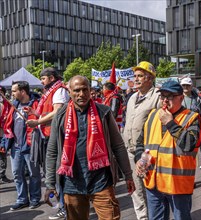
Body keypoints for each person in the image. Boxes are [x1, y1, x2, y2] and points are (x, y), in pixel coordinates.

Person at [44, 75, 135, 220]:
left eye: (85, 90)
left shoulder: (103, 112)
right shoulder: (60, 116)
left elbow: (118, 145)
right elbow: (52, 151)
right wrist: (50, 184)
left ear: (90, 90)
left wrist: (128, 175)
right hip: (71, 183)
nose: (81, 94)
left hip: (101, 181)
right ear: (69, 92)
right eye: (77, 90)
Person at [134, 80, 201, 220]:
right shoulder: (153, 115)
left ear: (181, 98)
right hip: (153, 182)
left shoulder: (192, 117)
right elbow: (140, 142)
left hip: (177, 185)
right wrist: (139, 159)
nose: (165, 100)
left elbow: (189, 144)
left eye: (170, 96)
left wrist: (171, 123)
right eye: (162, 96)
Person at [26, 67, 69, 219]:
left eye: (43, 78)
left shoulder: (60, 91)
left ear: (51, 78)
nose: (41, 81)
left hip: (55, 136)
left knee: (58, 173)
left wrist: (37, 121)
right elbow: (46, 111)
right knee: (51, 172)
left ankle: (64, 207)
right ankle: (63, 205)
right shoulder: (49, 92)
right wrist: (33, 112)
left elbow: (57, 111)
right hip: (47, 136)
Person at [123, 61, 160, 220]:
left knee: (150, 188)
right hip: (130, 151)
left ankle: (154, 217)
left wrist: (146, 156)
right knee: (135, 190)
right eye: (135, 76)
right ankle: (142, 218)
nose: (136, 79)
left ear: (150, 78)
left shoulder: (157, 96)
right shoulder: (131, 97)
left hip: (147, 152)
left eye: (140, 76)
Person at [3, 81, 41, 210]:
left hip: (31, 145)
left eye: (14, 91)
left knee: (33, 174)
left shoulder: (36, 104)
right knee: (17, 174)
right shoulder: (13, 105)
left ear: (22, 91)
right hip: (16, 146)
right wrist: (5, 141)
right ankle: (22, 199)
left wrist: (36, 118)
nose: (11, 94)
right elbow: (8, 124)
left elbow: (42, 120)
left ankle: (35, 198)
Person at [0, 86, 12, 184]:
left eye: (1, 92)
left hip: (3, 134)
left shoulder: (8, 104)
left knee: (3, 155)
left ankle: (2, 175)